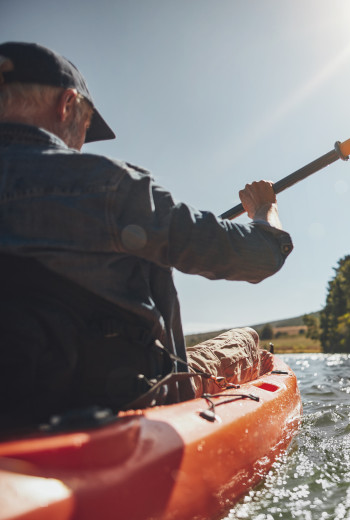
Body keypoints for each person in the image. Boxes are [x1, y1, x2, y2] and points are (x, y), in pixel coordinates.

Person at [0, 42, 293, 427]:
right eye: (86, 126)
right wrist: (264, 211)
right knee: (247, 339)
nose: (82, 142)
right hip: (129, 400)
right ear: (67, 105)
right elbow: (261, 256)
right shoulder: (114, 188)